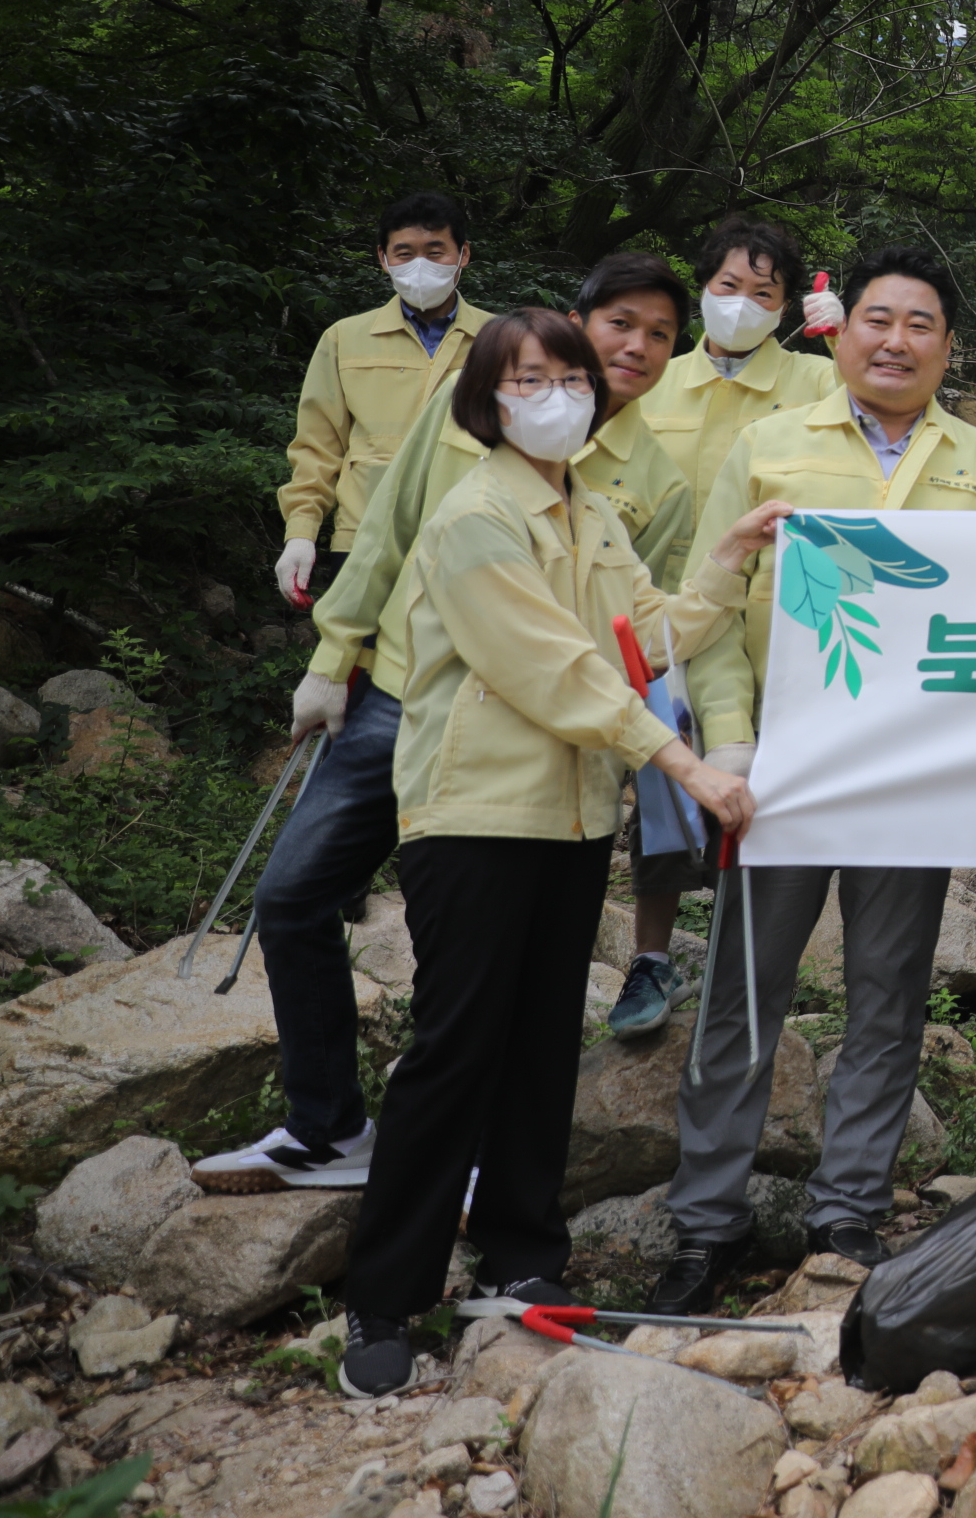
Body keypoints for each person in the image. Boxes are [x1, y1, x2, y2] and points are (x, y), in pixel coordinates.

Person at [333, 308, 777, 1396]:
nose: (558, 394)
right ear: (488, 397)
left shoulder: (593, 512)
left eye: (572, 376)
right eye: (530, 378)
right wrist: (687, 766)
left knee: (540, 1044)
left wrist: (724, 560)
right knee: (456, 1048)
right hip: (477, 814)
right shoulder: (476, 515)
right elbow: (562, 673)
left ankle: (521, 1262)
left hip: (572, 820)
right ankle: (383, 1298)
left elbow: (650, 634)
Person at [204, 255, 698, 1194]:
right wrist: (330, 655)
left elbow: (637, 632)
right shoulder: (478, 404)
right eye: (620, 323)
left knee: (475, 962)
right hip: (397, 696)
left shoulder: (657, 482)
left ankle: (466, 1154)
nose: (636, 346)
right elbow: (388, 527)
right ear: (578, 321)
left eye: (661, 335)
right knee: (293, 896)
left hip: (525, 747)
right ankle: (326, 1125)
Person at [656, 246, 976, 1309]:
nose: (896, 341)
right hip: (777, 765)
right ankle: (703, 1220)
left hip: (911, 770)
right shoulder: (768, 444)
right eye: (877, 320)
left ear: (949, 347)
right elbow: (705, 605)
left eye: (921, 324)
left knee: (888, 990)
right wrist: (727, 739)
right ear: (839, 331)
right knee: (741, 989)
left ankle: (848, 1207)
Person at [275, 191, 489, 609]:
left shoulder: (502, 341)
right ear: (383, 257)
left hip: (475, 541)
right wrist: (301, 533)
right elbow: (317, 447)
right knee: (361, 670)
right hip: (364, 541)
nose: (419, 265)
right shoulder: (344, 339)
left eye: (435, 251)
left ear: (463, 255)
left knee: (466, 673)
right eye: (404, 253)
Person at [640, 215, 845, 512]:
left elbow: (876, 408)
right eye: (729, 284)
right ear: (704, 287)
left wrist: (848, 341)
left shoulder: (818, 379)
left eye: (762, 293)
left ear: (784, 309)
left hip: (768, 557)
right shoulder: (652, 382)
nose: (741, 303)